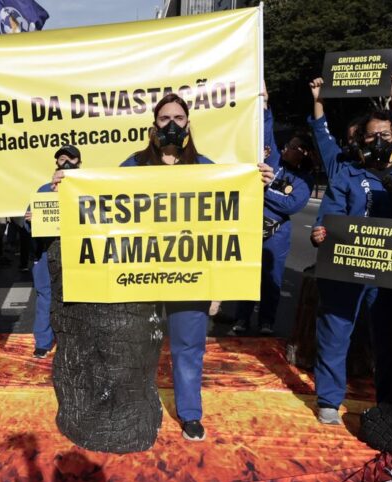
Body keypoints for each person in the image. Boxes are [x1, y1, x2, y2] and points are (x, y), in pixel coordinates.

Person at [51, 93, 274, 442]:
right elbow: (101, 201)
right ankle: (129, 407)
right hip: (140, 277)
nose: (172, 124)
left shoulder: (205, 167)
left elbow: (227, 219)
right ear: (153, 126)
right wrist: (69, 185)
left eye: (179, 118)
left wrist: (256, 181)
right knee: (133, 347)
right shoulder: (135, 164)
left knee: (188, 346)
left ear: (188, 124)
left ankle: (190, 414)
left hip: (191, 275)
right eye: (164, 118)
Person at [308, 77, 392, 425]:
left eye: (386, 135)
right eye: (372, 135)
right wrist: (321, 233)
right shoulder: (345, 175)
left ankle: (386, 403)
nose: (379, 141)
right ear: (361, 139)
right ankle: (328, 400)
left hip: (386, 274)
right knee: (334, 333)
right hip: (343, 268)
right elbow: (329, 217)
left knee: (385, 340)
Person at [230, 108, 314, 336]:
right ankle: (241, 318)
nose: (286, 148)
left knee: (272, 279)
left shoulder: (305, 180)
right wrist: (265, 106)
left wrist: (263, 188)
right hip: (251, 227)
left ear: (305, 153)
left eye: (294, 146)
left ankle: (267, 321)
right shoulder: (274, 161)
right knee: (247, 275)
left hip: (277, 234)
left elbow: (292, 205)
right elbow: (266, 135)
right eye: (287, 145)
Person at [27, 144, 80, 358]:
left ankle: (74, 340)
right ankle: (44, 341)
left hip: (76, 251)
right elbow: (29, 222)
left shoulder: (88, 188)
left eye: (71, 159)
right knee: (45, 296)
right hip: (47, 251)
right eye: (61, 159)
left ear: (79, 162)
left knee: (78, 299)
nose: (65, 163)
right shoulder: (43, 191)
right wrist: (29, 220)